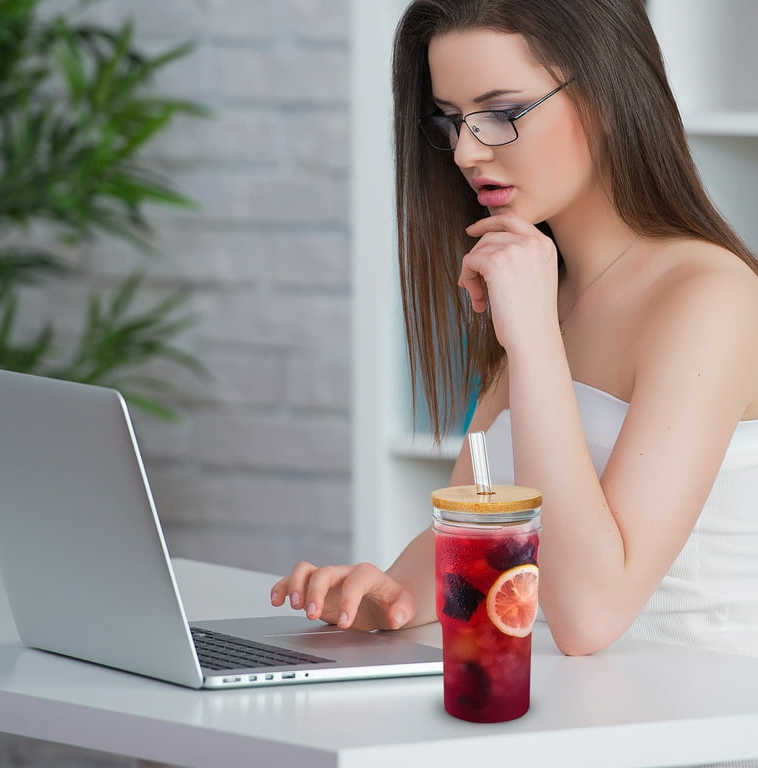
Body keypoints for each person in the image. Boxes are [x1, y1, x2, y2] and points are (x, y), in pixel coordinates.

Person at [271, 0, 758, 667]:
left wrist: (532, 342)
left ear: (608, 95)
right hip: (566, 716)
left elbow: (589, 617)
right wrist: (377, 601)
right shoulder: (542, 287)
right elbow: (472, 540)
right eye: (451, 120)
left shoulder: (712, 299)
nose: (467, 151)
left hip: (693, 728)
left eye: (502, 114)